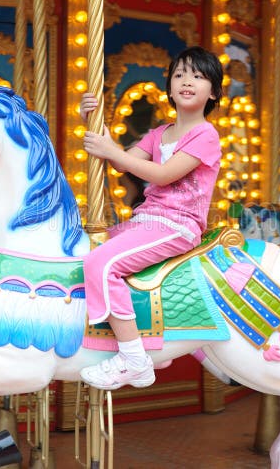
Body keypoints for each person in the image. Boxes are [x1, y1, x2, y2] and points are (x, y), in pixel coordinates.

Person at [78, 46, 224, 390]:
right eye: (179, 74)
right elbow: (122, 161)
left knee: (101, 263)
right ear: (169, 88)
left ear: (213, 92)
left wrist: (111, 151)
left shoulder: (206, 134)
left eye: (198, 76)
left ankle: (133, 359)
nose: (187, 81)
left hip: (177, 224)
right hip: (146, 221)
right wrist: (94, 123)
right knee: (82, 250)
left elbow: (161, 175)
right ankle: (146, 340)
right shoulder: (160, 133)